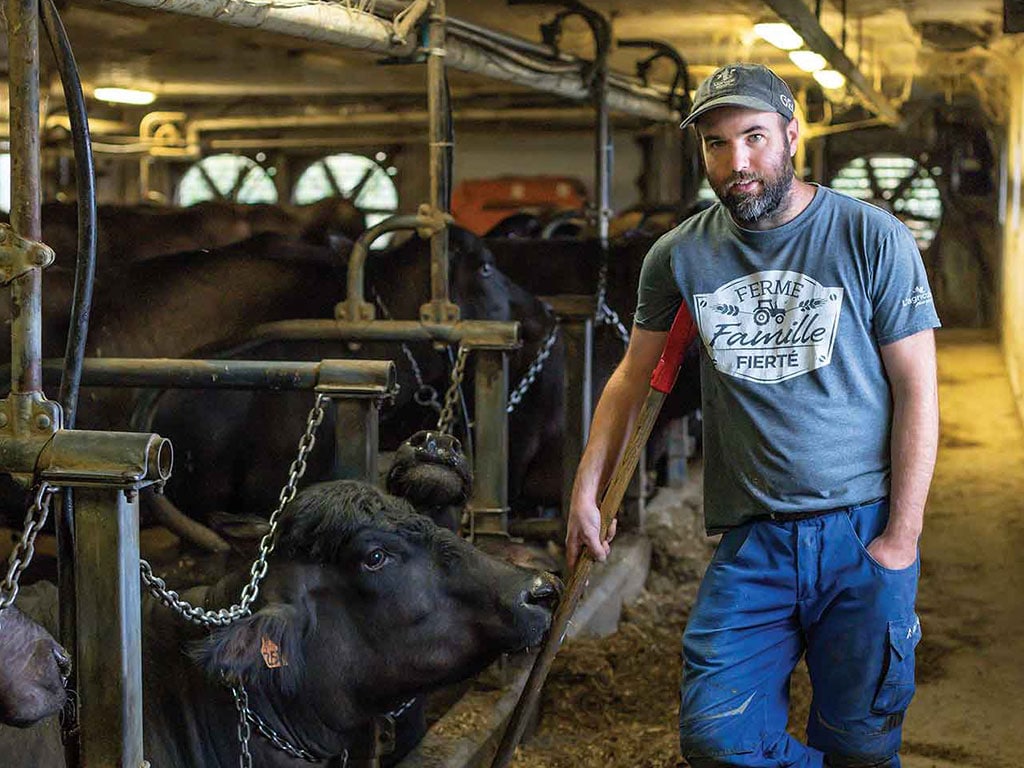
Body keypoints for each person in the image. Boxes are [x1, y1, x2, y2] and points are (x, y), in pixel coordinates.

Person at [566, 63, 940, 767]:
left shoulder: (870, 236)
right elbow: (632, 376)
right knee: (717, 739)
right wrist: (588, 485)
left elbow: (919, 389)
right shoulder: (678, 255)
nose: (736, 162)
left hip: (861, 531)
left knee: (861, 742)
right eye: (716, 143)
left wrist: (902, 538)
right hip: (753, 541)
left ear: (792, 135)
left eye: (754, 137)